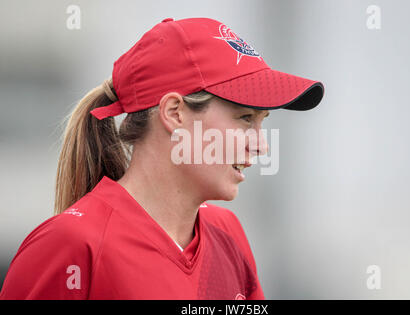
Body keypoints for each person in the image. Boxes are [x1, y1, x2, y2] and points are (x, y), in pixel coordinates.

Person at [0, 17, 324, 299]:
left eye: (262, 121)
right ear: (174, 113)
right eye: (244, 119)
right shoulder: (70, 245)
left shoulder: (228, 233)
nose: (262, 146)